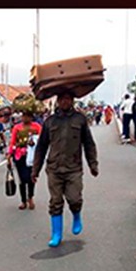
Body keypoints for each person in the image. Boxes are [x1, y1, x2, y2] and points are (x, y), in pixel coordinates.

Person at [29, 87, 99, 247]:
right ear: (58, 101)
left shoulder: (80, 119)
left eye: (68, 98)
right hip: (54, 169)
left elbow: (89, 144)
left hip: (74, 168)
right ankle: (56, 234)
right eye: (62, 99)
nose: (65, 102)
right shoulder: (50, 122)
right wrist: (35, 170)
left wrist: (93, 164)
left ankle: (76, 215)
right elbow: (41, 148)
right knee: (55, 202)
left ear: (72, 100)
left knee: (74, 199)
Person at [9, 109, 42, 211]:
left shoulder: (37, 127)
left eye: (27, 116)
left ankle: (30, 197)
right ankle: (23, 200)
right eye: (23, 116)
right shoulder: (17, 128)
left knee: (31, 178)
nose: (25, 118)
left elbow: (42, 141)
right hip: (20, 156)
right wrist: (9, 155)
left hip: (32, 156)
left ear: (31, 117)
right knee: (22, 179)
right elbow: (12, 142)